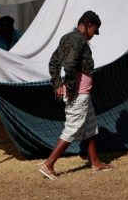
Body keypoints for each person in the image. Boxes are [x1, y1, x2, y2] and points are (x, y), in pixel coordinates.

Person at [39, 11, 112, 180]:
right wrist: (70, 89)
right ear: (88, 24)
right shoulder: (78, 40)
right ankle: (48, 164)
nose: (93, 35)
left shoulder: (67, 37)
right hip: (78, 93)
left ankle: (95, 163)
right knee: (72, 128)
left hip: (81, 92)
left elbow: (53, 62)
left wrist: (58, 83)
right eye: (94, 30)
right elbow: (70, 65)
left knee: (90, 125)